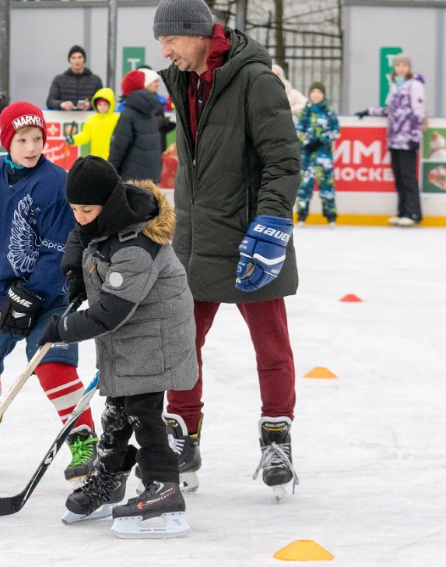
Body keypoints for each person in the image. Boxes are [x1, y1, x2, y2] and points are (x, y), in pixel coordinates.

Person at [154, 0, 301, 499]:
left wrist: (272, 223)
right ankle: (183, 436)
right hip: (195, 238)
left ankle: (277, 438)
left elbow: (283, 160)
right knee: (181, 342)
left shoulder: (255, 80)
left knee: (270, 346)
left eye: (170, 40)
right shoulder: (184, 80)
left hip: (248, 237)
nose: (165, 50)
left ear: (197, 34)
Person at [0, 101, 98, 485]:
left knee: (52, 367)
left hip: (50, 294)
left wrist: (35, 292)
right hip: (0, 289)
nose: (31, 147)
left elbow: (59, 245)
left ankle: (84, 439)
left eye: (37, 138)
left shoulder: (55, 182)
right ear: (6, 140)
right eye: (22, 139)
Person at [40, 156, 198, 537]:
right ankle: (110, 478)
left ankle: (164, 487)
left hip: (154, 337)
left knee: (142, 411)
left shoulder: (137, 246)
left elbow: (109, 314)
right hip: (131, 334)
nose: (79, 217)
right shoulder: (103, 218)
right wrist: (74, 270)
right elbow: (82, 237)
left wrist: (61, 328)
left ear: (108, 204)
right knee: (115, 409)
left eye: (86, 209)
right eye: (73, 209)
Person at [356, 54, 425, 227]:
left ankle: (414, 213)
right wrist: (369, 111)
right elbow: (391, 110)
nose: (401, 68)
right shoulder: (395, 85)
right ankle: (402, 212)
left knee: (408, 177)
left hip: (407, 139)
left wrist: (415, 136)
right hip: (394, 139)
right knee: (399, 177)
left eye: (404, 65)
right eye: (398, 65)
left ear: (409, 68)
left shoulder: (414, 85)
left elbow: (418, 112)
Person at [296, 82, 340, 226]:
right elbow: (298, 130)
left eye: (319, 92)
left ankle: (330, 216)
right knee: (304, 185)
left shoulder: (328, 111)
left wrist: (322, 140)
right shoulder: (305, 111)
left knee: (326, 184)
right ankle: (302, 214)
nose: (316, 94)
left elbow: (336, 130)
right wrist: (307, 142)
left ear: (323, 94)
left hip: (323, 156)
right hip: (307, 155)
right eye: (313, 91)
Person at [108, 70, 163, 185]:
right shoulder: (151, 113)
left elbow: (118, 148)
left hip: (131, 178)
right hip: (152, 178)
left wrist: (109, 173)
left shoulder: (128, 114)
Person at [65, 88, 119, 160]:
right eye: (100, 104)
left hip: (112, 158)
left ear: (110, 105)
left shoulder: (117, 118)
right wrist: (73, 139)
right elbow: (85, 136)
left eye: (105, 105)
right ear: (96, 105)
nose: (102, 107)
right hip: (96, 158)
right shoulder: (92, 119)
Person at [46, 45, 104, 111]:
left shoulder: (95, 80)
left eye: (79, 57)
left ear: (84, 59)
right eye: (73, 58)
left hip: (89, 118)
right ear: (69, 60)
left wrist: (90, 104)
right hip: (64, 118)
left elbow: (102, 100)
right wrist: (61, 104)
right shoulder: (59, 80)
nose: (77, 60)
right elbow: (50, 101)